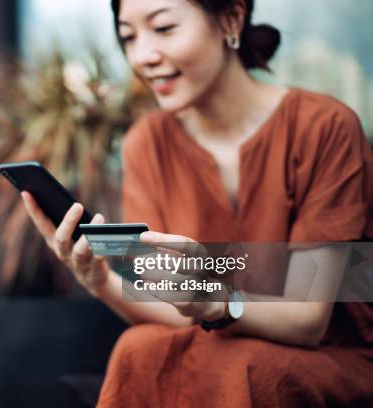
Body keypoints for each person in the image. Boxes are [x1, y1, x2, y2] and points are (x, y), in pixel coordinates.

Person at [21, 0, 373, 406]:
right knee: (139, 350)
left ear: (231, 19)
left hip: (328, 354)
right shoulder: (146, 145)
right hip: (218, 345)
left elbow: (308, 321)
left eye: (164, 28)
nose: (142, 56)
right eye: (129, 36)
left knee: (247, 369)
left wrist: (217, 300)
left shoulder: (324, 128)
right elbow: (177, 306)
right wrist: (101, 283)